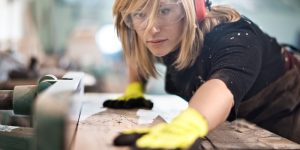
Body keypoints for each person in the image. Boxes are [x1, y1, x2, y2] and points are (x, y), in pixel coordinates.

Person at [103, 0, 300, 149]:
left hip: (290, 106)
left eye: (164, 10)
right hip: (243, 118)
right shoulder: (161, 36)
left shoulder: (235, 37)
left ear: (194, 9)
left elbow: (222, 87)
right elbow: (137, 55)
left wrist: (188, 124)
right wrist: (134, 88)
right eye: (139, 14)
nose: (151, 29)